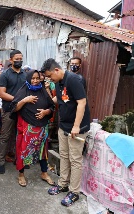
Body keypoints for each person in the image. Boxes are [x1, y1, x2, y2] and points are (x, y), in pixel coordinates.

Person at [40, 58, 90, 207]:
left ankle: (74, 192)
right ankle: (63, 184)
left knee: (75, 160)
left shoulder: (74, 80)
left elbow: (82, 102)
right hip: (64, 125)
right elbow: (59, 98)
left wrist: (76, 126)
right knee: (64, 156)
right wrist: (47, 99)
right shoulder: (58, 82)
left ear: (56, 70)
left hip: (76, 128)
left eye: (50, 76)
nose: (50, 79)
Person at [10, 70, 55, 187]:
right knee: (23, 150)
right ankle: (21, 174)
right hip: (27, 126)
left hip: (42, 127)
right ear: (28, 78)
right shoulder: (23, 90)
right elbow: (14, 108)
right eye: (32, 78)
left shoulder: (43, 90)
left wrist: (46, 112)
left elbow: (52, 106)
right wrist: (25, 100)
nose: (35, 81)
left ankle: (44, 173)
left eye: (37, 78)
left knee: (42, 151)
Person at [0, 50, 27, 174]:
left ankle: (18, 159)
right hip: (9, 109)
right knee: (5, 136)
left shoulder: (25, 74)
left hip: (23, 110)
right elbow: (2, 93)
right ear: (11, 60)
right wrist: (18, 100)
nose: (19, 61)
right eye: (16, 59)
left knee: (20, 135)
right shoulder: (5, 74)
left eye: (21, 58)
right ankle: (0, 161)